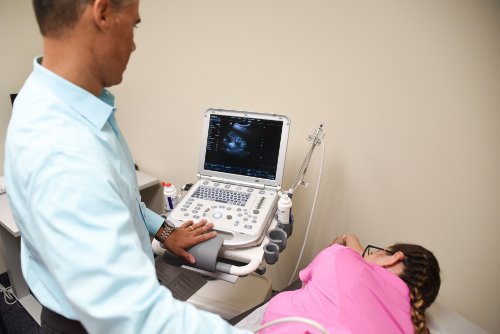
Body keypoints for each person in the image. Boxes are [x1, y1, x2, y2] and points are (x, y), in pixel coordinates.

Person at [4, 1, 251, 333]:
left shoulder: (69, 102)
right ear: (103, 13)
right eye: (133, 26)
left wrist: (166, 232)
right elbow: (134, 314)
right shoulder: (63, 148)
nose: (134, 45)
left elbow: (123, 200)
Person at [260, 234, 441, 334]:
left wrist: (346, 243)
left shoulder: (341, 258)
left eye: (380, 251)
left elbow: (350, 259)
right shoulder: (409, 326)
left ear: (394, 258)